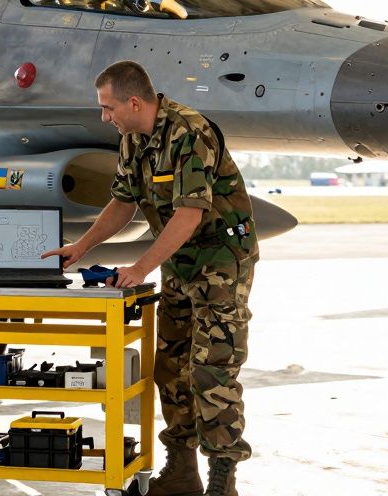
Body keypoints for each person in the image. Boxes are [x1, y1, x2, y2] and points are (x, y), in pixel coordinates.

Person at [43, 60, 256, 496]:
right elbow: (123, 203)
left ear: (134, 102)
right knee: (171, 367)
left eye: (108, 107)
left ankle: (222, 478)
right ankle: (182, 471)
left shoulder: (190, 132)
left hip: (221, 259)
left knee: (212, 369)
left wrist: (140, 268)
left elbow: (189, 214)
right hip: (179, 261)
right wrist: (82, 247)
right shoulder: (132, 140)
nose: (105, 116)